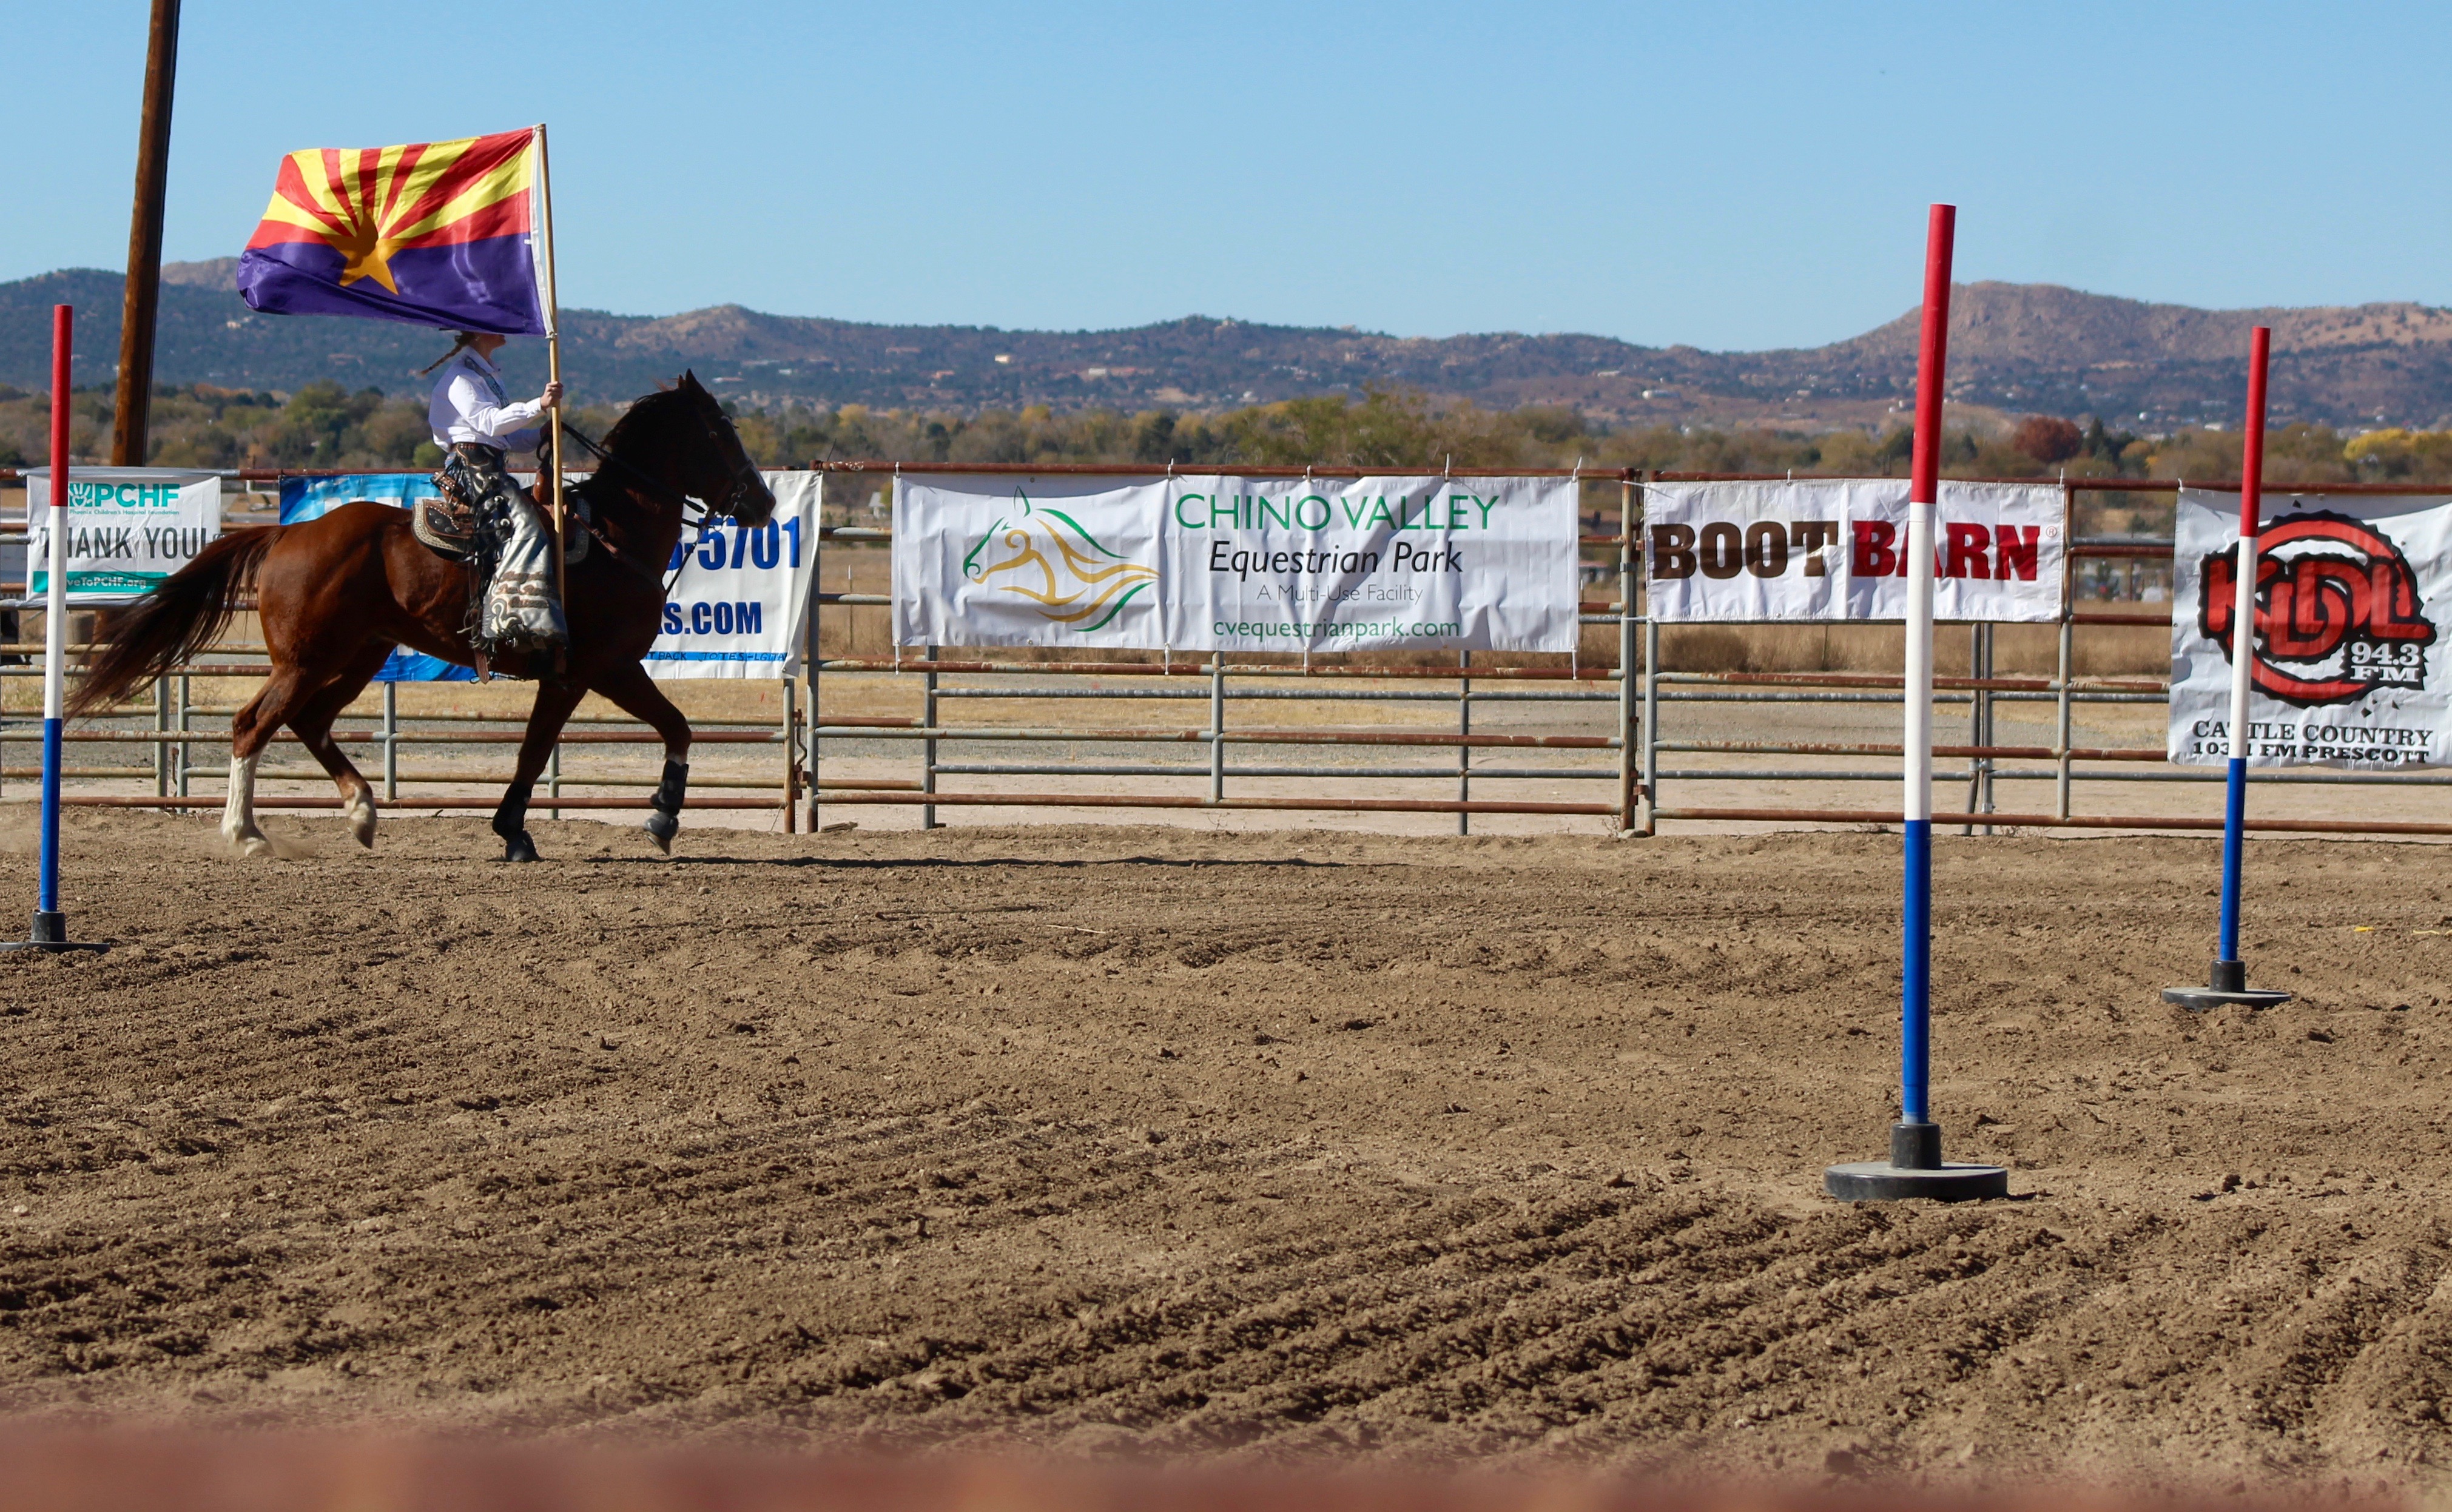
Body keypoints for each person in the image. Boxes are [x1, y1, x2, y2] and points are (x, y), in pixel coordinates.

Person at [424, 331, 567, 657]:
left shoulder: (483, 376)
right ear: (478, 333)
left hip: (488, 464)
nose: (504, 328)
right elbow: (490, 424)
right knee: (528, 528)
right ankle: (516, 619)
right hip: (473, 468)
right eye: (495, 324)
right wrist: (538, 405)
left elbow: (506, 438)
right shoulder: (462, 378)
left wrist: (540, 431)